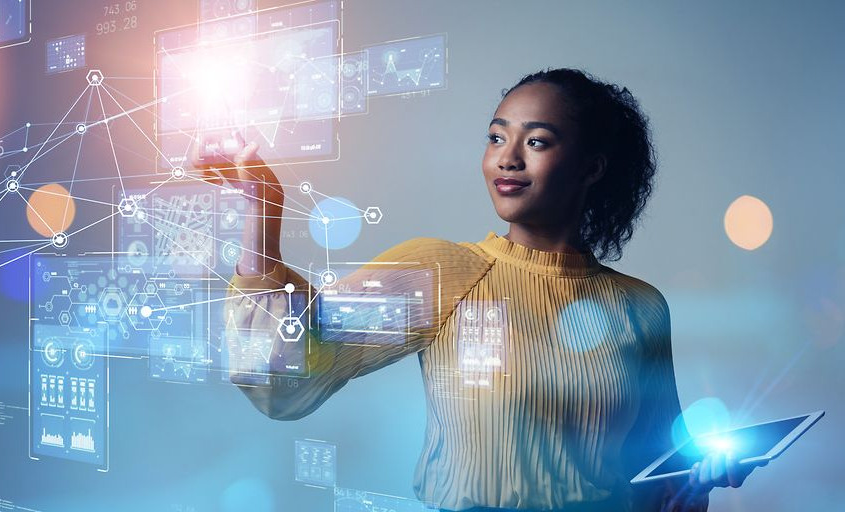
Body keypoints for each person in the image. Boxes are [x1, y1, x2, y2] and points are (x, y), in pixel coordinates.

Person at [203, 68, 761, 511]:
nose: (506, 157)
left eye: (536, 141)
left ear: (592, 168)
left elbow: (661, 474)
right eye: (497, 136)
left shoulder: (641, 308)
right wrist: (261, 208)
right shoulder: (442, 270)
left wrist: (699, 479)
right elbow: (284, 375)